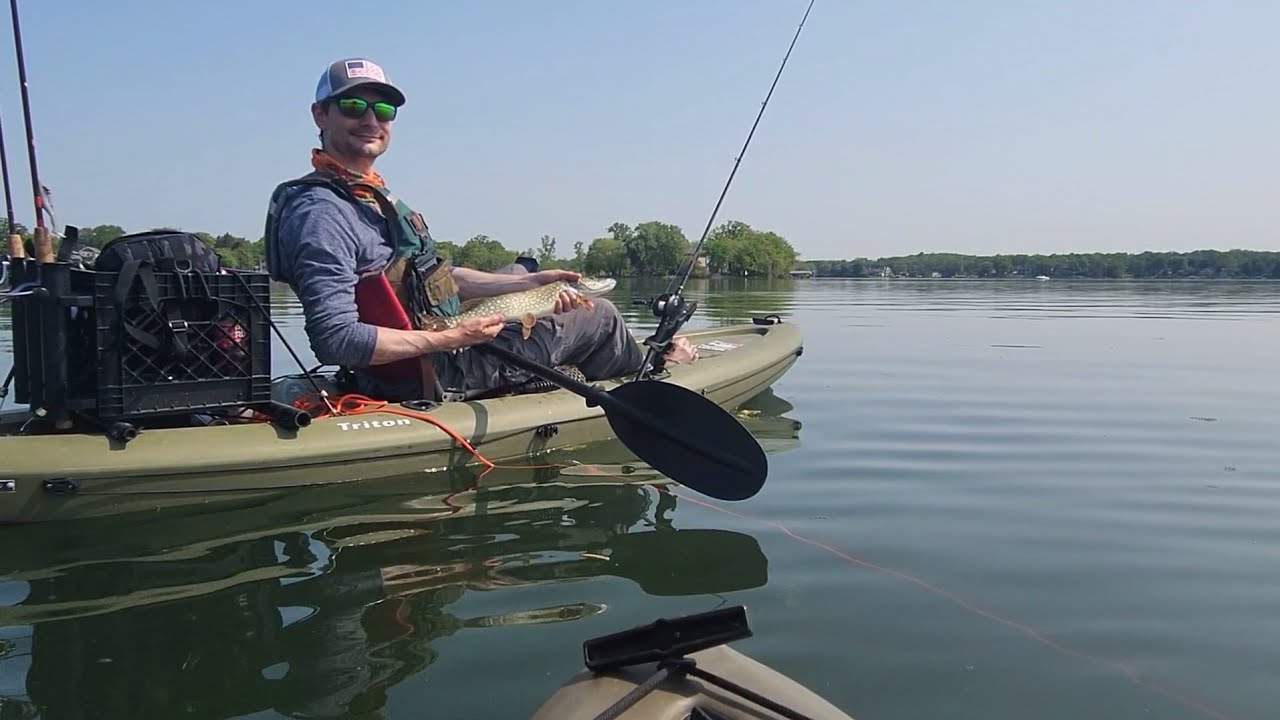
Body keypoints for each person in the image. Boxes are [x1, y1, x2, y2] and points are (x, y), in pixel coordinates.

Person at [263, 58, 696, 403]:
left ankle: (574, 333)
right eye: (354, 106)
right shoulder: (323, 214)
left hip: (443, 342)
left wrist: (532, 281)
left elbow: (434, 280)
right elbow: (336, 340)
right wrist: (453, 336)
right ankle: (653, 367)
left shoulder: (363, 195)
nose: (371, 119)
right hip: (437, 370)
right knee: (598, 314)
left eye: (383, 108)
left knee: (516, 269)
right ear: (320, 114)